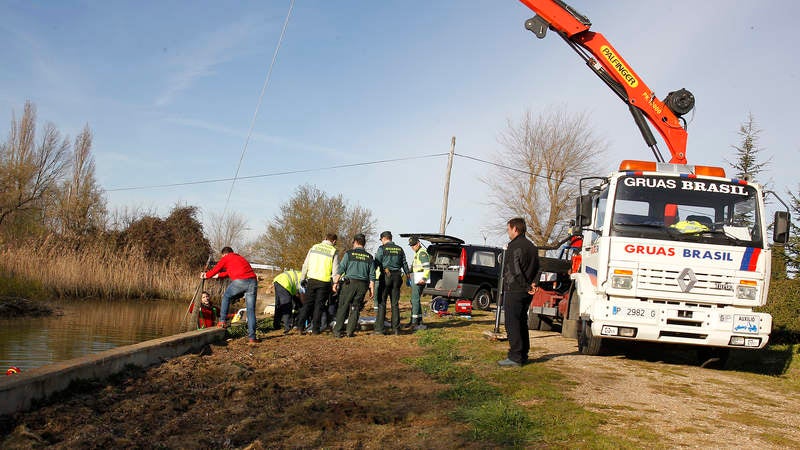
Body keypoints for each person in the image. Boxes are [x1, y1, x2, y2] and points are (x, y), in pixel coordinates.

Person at [498, 217, 540, 367]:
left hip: (515, 289)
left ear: (515, 229)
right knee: (522, 322)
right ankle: (523, 354)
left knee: (512, 324)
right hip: (526, 291)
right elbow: (538, 267)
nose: (508, 232)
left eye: (508, 229)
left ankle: (515, 357)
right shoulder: (532, 246)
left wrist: (526, 286)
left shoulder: (514, 246)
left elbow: (515, 271)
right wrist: (534, 283)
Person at [202, 246, 260, 344]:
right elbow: (228, 272)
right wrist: (217, 276)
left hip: (241, 281)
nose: (222, 258)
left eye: (222, 256)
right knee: (250, 311)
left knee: (226, 297)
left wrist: (206, 275)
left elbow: (217, 268)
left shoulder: (227, 257)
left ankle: (222, 321)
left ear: (225, 254)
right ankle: (252, 338)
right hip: (253, 282)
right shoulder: (240, 258)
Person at [294, 233, 339, 335]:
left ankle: (300, 327)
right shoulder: (333, 251)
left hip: (311, 280)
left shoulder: (314, 247)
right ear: (334, 241)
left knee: (307, 304)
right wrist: (335, 283)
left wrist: (302, 278)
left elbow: (305, 264)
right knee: (319, 306)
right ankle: (315, 330)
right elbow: (335, 270)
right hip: (324, 282)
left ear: (325, 238)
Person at [332, 234, 375, 338]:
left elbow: (341, 268)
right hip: (363, 285)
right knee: (355, 307)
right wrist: (372, 289)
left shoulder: (349, 254)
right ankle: (350, 332)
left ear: (355, 242)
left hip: (349, 284)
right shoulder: (369, 257)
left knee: (343, 306)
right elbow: (372, 274)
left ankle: (337, 331)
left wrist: (335, 283)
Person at [372, 231, 410, 335]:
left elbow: (376, 262)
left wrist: (371, 274)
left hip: (385, 276)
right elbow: (404, 263)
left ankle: (380, 329)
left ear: (384, 238)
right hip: (397, 277)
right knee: (394, 304)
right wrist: (408, 276)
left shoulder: (382, 248)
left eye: (381, 240)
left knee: (382, 303)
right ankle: (396, 329)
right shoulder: (399, 249)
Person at [407, 236, 430, 331]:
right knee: (415, 300)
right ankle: (419, 320)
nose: (412, 247)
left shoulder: (422, 253)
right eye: (411, 245)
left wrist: (424, 278)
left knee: (415, 300)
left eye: (414, 245)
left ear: (418, 243)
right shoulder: (418, 253)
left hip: (420, 279)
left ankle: (414, 322)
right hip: (416, 278)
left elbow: (427, 267)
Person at [271, 269, 303, 333]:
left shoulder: (301, 274)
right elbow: (301, 294)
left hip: (278, 280)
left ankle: (276, 325)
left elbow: (297, 293)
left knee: (279, 305)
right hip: (285, 283)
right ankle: (288, 326)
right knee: (287, 305)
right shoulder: (305, 279)